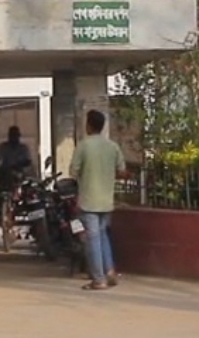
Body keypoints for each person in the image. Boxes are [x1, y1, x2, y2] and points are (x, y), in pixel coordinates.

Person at [70, 109, 127, 291]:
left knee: (93, 239)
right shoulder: (113, 146)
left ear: (88, 125)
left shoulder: (83, 146)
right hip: (106, 200)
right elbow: (122, 171)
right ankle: (110, 271)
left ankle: (98, 279)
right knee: (102, 236)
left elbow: (73, 171)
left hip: (89, 200)